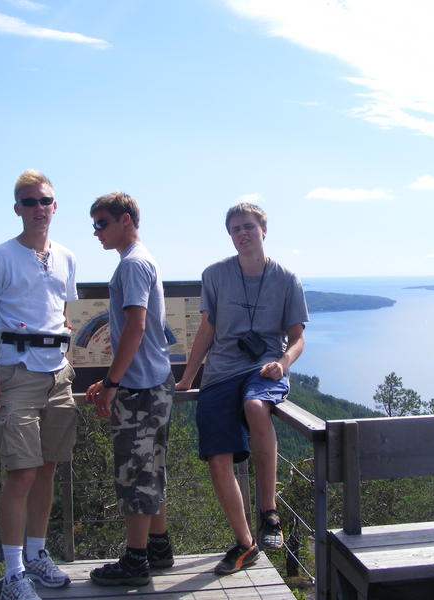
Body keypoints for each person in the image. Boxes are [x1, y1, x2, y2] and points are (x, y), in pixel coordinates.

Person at [175, 202, 308, 575]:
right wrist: (189, 377)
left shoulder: (286, 278)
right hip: (220, 372)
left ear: (264, 230)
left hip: (264, 367)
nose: (242, 234)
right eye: (235, 229)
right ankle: (244, 543)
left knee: (255, 406)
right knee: (218, 458)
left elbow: (297, 338)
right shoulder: (215, 275)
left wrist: (282, 363)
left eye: (248, 226)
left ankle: (269, 513)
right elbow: (207, 329)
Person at [0, 169, 77, 600]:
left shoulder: (66, 257)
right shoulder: (1, 257)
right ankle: (14, 573)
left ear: (55, 206)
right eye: (29, 202)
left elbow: (62, 314)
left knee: (48, 467)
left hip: (59, 374)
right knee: (22, 473)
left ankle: (36, 554)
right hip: (17, 373)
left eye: (44, 201)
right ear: (17, 209)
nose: (38, 209)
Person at [85, 191, 175, 586]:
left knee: (135, 474)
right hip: (155, 381)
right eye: (94, 225)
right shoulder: (140, 260)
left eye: (102, 223)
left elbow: (135, 326)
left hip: (138, 387)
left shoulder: (133, 265)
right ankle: (159, 548)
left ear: (126, 220)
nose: (97, 232)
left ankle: (136, 561)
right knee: (151, 469)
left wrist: (112, 382)